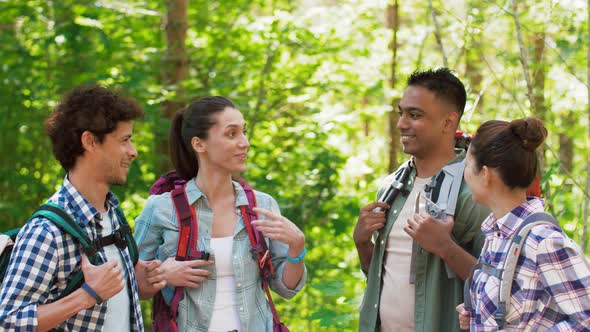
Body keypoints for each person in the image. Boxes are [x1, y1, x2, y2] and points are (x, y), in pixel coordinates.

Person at [0, 84, 166, 332]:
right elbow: (8, 321)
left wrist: (140, 282)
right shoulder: (46, 231)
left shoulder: (114, 217)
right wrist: (86, 296)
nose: (133, 151)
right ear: (90, 141)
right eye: (124, 140)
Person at [134, 96, 307, 332]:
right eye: (231, 134)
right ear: (199, 144)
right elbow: (132, 286)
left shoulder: (261, 205)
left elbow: (286, 289)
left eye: (244, 132)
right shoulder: (161, 209)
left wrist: (297, 249)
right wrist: (163, 274)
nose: (244, 142)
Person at [354, 68, 490, 332]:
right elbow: (382, 278)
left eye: (414, 115)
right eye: (401, 113)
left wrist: (445, 247)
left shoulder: (475, 192)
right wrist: (362, 243)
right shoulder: (391, 187)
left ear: (448, 123)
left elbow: (500, 287)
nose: (401, 124)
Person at [456, 117, 590, 331]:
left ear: (485, 174)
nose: (465, 176)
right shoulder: (497, 235)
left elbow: (586, 319)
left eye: (466, 166)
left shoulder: (543, 241)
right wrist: (476, 316)